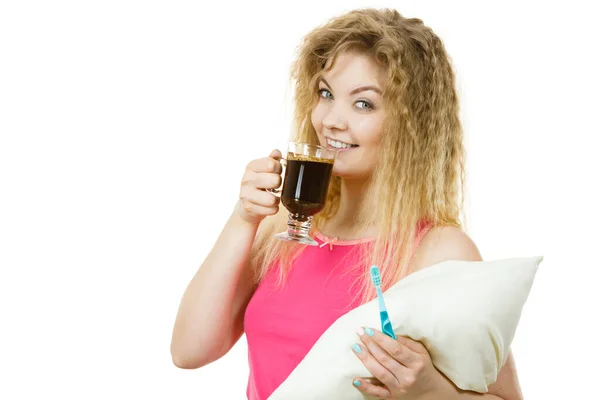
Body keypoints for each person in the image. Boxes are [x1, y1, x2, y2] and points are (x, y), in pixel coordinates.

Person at [170, 8, 523, 400]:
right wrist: (243, 218)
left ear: (410, 126)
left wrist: (432, 393)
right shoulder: (282, 225)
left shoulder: (440, 251)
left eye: (363, 104)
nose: (331, 120)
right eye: (326, 94)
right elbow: (189, 351)